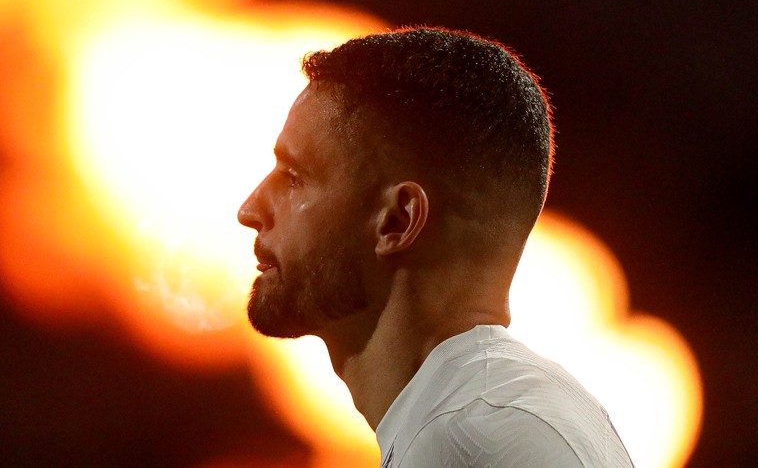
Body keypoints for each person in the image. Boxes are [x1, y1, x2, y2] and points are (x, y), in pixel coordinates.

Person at [237, 27, 634, 467]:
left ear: (397, 221)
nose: (249, 209)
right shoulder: (482, 417)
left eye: (294, 178)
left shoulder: (481, 431)